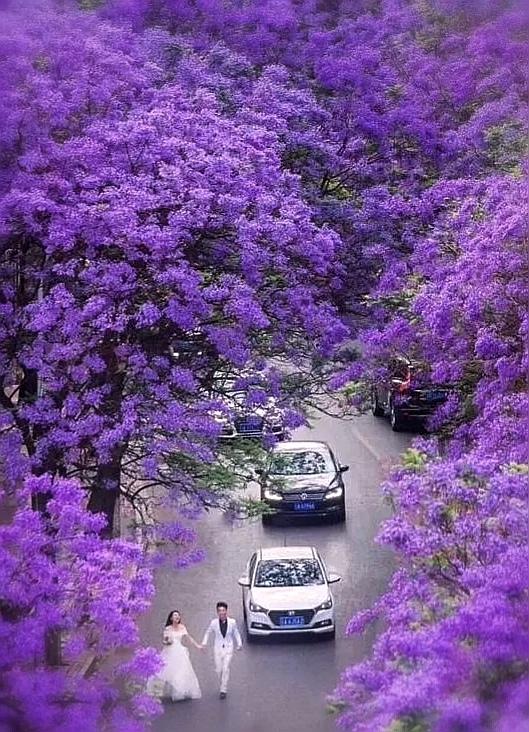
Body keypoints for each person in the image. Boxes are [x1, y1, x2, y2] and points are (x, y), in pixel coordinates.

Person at [147, 609, 202, 702]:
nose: (177, 617)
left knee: (181, 671)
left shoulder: (182, 627)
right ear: (171, 618)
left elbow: (189, 638)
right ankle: (155, 690)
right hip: (170, 651)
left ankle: (179, 690)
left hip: (180, 652)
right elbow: (164, 641)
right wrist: (168, 642)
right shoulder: (168, 629)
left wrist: (198, 646)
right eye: (175, 615)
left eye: (178, 615)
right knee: (163, 671)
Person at [201, 601, 242, 699]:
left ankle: (223, 689)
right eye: (219, 610)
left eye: (223, 610)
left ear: (226, 611)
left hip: (228, 648)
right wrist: (204, 643)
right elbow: (208, 633)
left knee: (225, 668)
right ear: (217, 612)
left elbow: (236, 633)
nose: (222, 612)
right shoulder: (214, 623)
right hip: (218, 648)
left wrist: (239, 643)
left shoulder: (232, 622)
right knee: (219, 669)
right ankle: (222, 680)